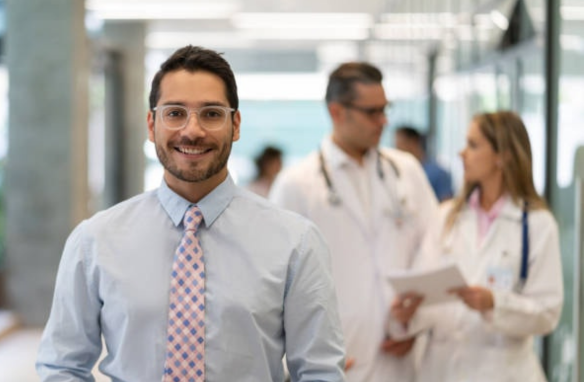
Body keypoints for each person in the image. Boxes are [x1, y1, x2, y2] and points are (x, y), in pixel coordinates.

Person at [36, 45, 346, 382]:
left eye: (211, 113)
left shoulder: (296, 244)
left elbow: (320, 371)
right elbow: (62, 366)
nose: (192, 130)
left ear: (235, 124)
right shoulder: (94, 241)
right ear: (152, 124)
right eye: (175, 113)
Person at [269, 62, 438, 382]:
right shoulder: (297, 184)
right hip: (333, 362)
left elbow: (433, 246)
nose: (384, 121)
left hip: (400, 355)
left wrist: (417, 319)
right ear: (337, 112)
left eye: (385, 109)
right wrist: (300, 360)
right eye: (372, 112)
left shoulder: (406, 171)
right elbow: (276, 283)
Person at [391, 111, 564, 382]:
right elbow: (423, 286)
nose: (462, 154)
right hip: (441, 368)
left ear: (503, 155)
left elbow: (548, 313)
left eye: (473, 145)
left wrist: (495, 302)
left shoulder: (537, 225)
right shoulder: (447, 215)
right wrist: (408, 314)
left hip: (503, 370)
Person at [395, 125, 453, 202]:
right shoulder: (399, 173)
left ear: (413, 142)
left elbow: (447, 205)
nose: (396, 150)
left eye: (400, 145)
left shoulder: (439, 173)